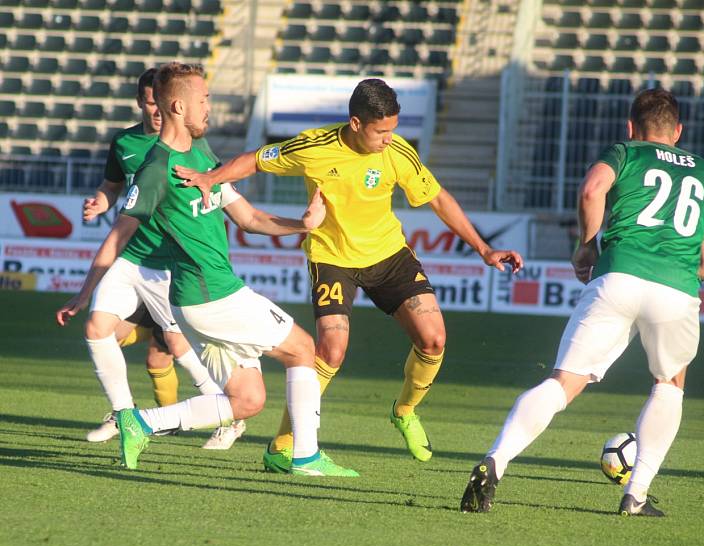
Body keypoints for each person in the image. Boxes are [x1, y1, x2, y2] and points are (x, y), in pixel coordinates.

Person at [174, 78, 523, 473]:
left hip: (390, 255)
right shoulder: (313, 147)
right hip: (332, 258)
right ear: (356, 124)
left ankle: (405, 411)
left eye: (393, 129)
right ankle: (283, 445)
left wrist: (484, 248)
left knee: (434, 340)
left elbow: (438, 198)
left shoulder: (397, 153)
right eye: (381, 131)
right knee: (330, 352)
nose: (389, 139)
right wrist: (211, 178)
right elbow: (254, 159)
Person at [59, 61, 358, 476]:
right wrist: (85, 292)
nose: (209, 108)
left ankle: (140, 422)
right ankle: (304, 455)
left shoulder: (202, 155)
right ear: (178, 106)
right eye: (204, 100)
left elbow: (248, 218)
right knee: (304, 349)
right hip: (211, 294)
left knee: (247, 400)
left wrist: (301, 225)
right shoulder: (155, 169)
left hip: (205, 298)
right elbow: (118, 235)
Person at [460, 88, 704, 517]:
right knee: (669, 384)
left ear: (631, 127)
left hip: (617, 275)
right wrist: (672, 263)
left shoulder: (625, 152)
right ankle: (636, 495)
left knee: (562, 382)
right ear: (678, 131)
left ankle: (496, 460)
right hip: (676, 291)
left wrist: (586, 247)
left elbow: (591, 192)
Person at [63, 67, 245, 451]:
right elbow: (113, 186)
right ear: (144, 103)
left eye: (159, 102)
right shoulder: (125, 143)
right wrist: (102, 200)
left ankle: (228, 414)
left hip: (168, 264)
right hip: (133, 257)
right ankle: (124, 414)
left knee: (179, 347)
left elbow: (211, 187)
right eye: (149, 103)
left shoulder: (191, 146)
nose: (157, 110)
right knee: (97, 329)